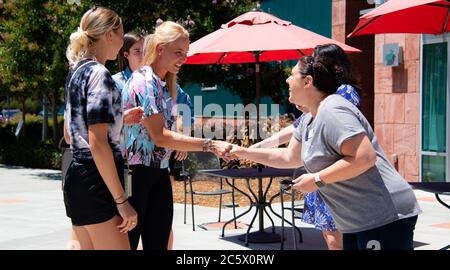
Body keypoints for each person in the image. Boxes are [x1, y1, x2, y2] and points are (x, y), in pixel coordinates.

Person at [230, 46, 421, 250]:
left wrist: (318, 179)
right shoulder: (310, 118)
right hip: (357, 219)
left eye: (292, 75)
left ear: (308, 82)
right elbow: (289, 157)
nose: (287, 80)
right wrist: (242, 152)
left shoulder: (333, 109)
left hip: (384, 215)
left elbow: (364, 157)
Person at [122, 21, 232, 250]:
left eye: (186, 53)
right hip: (136, 174)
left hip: (159, 172)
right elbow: (160, 136)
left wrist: (182, 132)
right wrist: (209, 144)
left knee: (159, 244)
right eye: (178, 52)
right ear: (160, 49)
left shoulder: (164, 84)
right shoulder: (144, 81)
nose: (183, 58)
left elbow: (182, 113)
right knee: (129, 245)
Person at [250, 44, 360, 250]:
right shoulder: (321, 96)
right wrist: (265, 144)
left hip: (335, 174)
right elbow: (299, 126)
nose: (313, 64)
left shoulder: (344, 92)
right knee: (330, 235)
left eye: (317, 60)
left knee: (338, 237)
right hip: (321, 175)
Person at [63, 6, 143, 250]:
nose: (121, 42)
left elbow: (69, 134)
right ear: (109, 34)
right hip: (98, 179)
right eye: (121, 34)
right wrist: (121, 200)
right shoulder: (100, 73)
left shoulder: (76, 72)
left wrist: (118, 119)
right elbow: (97, 142)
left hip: (76, 176)